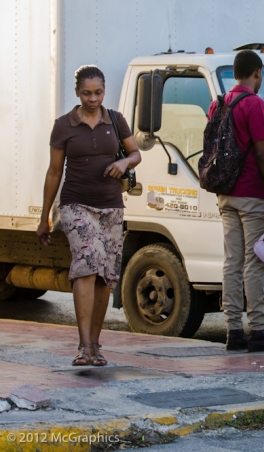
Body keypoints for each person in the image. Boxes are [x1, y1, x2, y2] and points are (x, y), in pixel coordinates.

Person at [37, 65, 142, 366]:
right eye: (86, 93)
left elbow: (135, 153)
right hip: (75, 204)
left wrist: (124, 165)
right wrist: (45, 216)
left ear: (104, 91)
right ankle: (84, 346)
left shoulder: (115, 119)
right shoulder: (63, 125)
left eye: (98, 93)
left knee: (105, 276)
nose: (93, 99)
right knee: (86, 264)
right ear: (77, 93)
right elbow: (54, 171)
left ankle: (96, 344)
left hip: (110, 207)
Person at [207, 50, 264, 352]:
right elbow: (261, 152)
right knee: (254, 263)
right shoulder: (255, 104)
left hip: (226, 194)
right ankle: (258, 328)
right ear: (257, 72)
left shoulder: (217, 103)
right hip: (252, 195)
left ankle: (233, 330)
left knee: (232, 262)